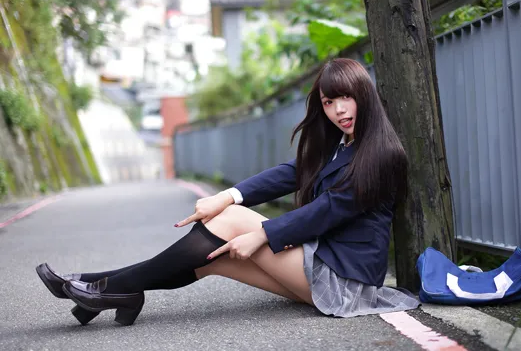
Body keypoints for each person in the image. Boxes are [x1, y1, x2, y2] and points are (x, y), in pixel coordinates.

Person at [36, 58, 420, 326]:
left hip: (345, 281)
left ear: (364, 95)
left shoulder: (382, 154)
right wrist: (229, 194)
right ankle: (101, 285)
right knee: (213, 258)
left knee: (233, 223)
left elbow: (328, 211)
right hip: (325, 263)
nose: (338, 109)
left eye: (346, 98)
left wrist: (260, 234)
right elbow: (293, 172)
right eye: (328, 102)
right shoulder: (343, 143)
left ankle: (102, 288)